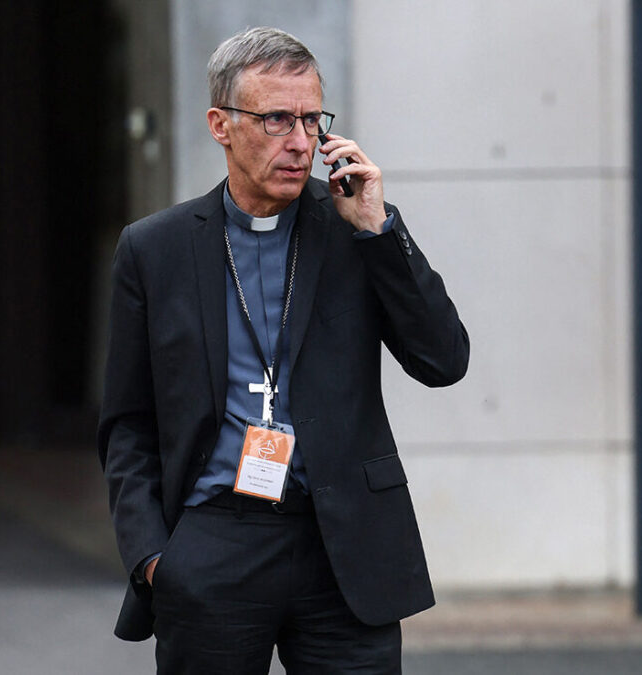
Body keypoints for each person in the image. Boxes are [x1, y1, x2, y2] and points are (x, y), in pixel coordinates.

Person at [97, 26, 470, 674]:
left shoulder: (356, 230)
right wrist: (155, 556)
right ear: (222, 124)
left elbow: (444, 360)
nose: (300, 142)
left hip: (344, 543)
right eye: (276, 119)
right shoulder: (153, 250)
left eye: (311, 120)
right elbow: (128, 423)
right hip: (215, 540)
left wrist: (382, 232)